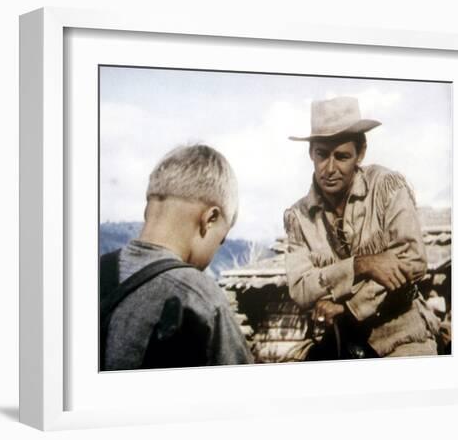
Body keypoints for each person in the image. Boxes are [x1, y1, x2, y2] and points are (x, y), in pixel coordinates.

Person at [284, 97, 440, 359]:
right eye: (322, 154)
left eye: (342, 156)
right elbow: (300, 288)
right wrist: (360, 265)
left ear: (361, 152)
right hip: (337, 340)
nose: (330, 169)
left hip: (401, 336)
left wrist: (347, 307)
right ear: (311, 153)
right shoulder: (298, 217)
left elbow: (412, 261)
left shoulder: (387, 188)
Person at [101, 144, 253, 371]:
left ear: (147, 210)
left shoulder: (90, 274)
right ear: (210, 219)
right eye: (221, 239)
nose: (215, 251)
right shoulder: (200, 297)